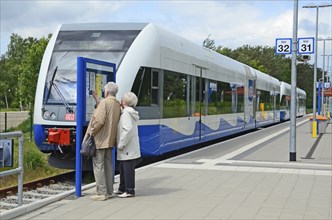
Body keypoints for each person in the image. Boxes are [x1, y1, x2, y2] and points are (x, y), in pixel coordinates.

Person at [85, 82, 121, 201]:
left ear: (106, 92)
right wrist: (97, 100)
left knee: (98, 165)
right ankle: (109, 191)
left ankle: (101, 193)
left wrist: (92, 132)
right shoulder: (117, 104)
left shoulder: (104, 103)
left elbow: (100, 121)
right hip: (110, 140)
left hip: (100, 139)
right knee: (108, 165)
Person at [115, 92, 141, 198]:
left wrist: (121, 143)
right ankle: (122, 188)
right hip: (130, 146)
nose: (121, 100)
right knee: (123, 167)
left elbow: (128, 129)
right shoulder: (130, 112)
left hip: (127, 147)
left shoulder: (126, 114)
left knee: (127, 169)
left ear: (125, 101)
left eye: (122, 98)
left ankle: (129, 190)